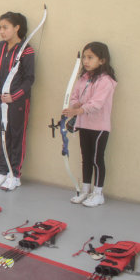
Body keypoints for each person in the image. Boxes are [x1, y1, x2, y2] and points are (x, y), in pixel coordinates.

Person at [63, 42, 117, 207]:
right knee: (86, 158)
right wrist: (74, 105)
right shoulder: (83, 78)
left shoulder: (106, 81)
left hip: (99, 127)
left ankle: (98, 193)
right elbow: (74, 97)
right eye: (85, 57)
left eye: (90, 57)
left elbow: (97, 104)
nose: (86, 61)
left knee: (96, 159)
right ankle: (85, 190)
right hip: (84, 124)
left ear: (102, 60)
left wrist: (78, 111)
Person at [0, 12, 34, 191]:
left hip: (18, 102)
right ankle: (1, 171)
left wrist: (14, 96)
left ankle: (14, 174)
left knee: (17, 136)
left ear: (17, 28)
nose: (1, 31)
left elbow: (30, 79)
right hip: (0, 100)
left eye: (5, 27)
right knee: (3, 135)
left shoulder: (26, 50)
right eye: (0, 27)